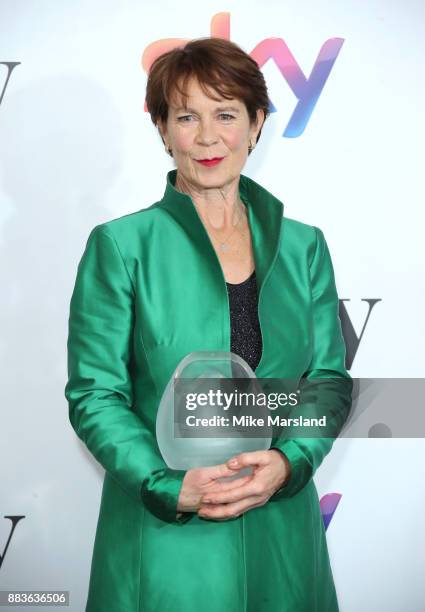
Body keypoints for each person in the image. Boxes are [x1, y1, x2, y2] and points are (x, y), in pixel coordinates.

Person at [65, 37, 352, 612]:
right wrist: (167, 486)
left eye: (225, 114)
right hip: (167, 536)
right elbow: (95, 394)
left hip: (281, 530)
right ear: (163, 130)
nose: (206, 136)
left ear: (256, 123)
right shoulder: (122, 246)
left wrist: (290, 462)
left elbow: (327, 380)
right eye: (185, 116)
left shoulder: (304, 248)